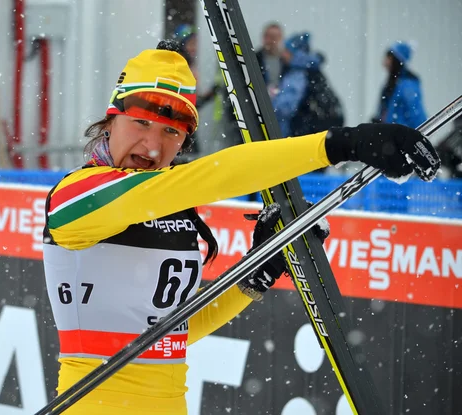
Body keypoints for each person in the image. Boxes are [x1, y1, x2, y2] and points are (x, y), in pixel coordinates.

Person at [42, 40, 440, 415]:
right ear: (111, 120)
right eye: (141, 123)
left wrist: (257, 272)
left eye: (171, 132)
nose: (152, 146)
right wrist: (337, 145)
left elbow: (173, 331)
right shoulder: (75, 199)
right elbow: (211, 177)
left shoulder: (169, 207)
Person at [273, 32, 343, 138]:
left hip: (299, 132)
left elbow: (285, 107)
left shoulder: (297, 73)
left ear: (295, 53)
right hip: (314, 131)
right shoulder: (311, 68)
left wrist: (270, 102)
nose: (283, 54)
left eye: (286, 50)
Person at [372, 41, 427, 128]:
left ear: (397, 61)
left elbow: (417, 117)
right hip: (391, 137)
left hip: (401, 138)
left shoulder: (408, 86)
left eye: (389, 57)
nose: (385, 62)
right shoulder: (391, 84)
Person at [255, 22, 284, 97]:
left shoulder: (286, 62)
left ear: (280, 38)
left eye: (273, 37)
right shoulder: (254, 60)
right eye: (267, 36)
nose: (270, 40)